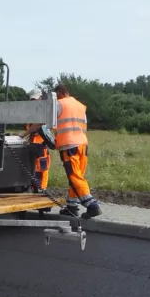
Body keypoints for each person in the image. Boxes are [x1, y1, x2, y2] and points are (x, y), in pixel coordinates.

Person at [53, 84, 102, 219]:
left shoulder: (58, 104)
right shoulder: (80, 106)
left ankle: (92, 205)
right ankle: (72, 207)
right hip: (82, 144)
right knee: (77, 176)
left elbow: (50, 123)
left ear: (59, 94)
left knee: (74, 176)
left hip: (69, 145)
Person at [20, 89, 50, 191]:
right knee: (33, 171)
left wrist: (23, 135)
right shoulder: (31, 112)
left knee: (41, 171)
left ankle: (42, 192)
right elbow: (31, 130)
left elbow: (37, 126)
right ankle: (35, 191)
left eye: (35, 99)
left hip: (41, 146)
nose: (33, 101)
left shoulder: (44, 110)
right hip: (32, 145)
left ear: (40, 98)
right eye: (32, 99)